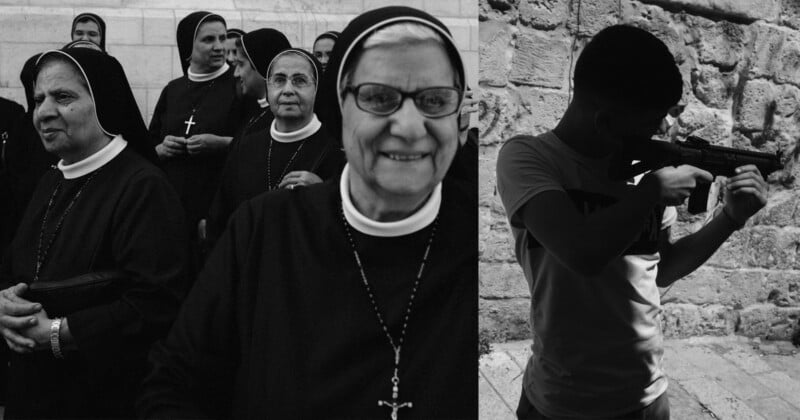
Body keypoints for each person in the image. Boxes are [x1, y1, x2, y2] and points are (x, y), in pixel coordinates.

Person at [137, 6, 477, 418]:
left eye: (435, 99)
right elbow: (175, 382)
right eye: (378, 97)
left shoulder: (475, 244)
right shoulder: (262, 229)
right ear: (340, 105)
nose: (408, 126)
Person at [496, 25, 769, 419]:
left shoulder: (647, 168)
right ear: (605, 122)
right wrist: (649, 194)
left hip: (645, 397)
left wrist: (730, 218)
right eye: (651, 120)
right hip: (561, 400)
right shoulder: (529, 159)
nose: (660, 131)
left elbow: (664, 268)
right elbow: (581, 253)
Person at [0, 47, 189, 419]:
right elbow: (19, 266)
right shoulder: (51, 178)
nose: (44, 111)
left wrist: (58, 331)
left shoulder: (142, 186)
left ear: (102, 101)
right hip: (33, 389)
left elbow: (158, 303)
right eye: (39, 99)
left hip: (101, 396)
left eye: (63, 96)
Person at [206, 48, 344, 250]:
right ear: (268, 88)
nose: (288, 90)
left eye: (299, 81)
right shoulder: (245, 146)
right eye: (279, 80)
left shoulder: (336, 153)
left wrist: (324, 195)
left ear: (317, 89)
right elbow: (220, 220)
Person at [148, 11, 242, 246]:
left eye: (222, 38)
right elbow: (149, 144)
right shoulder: (173, 89)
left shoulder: (239, 86)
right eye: (209, 40)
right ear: (188, 47)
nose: (219, 46)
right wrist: (161, 149)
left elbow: (257, 143)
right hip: (171, 207)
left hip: (217, 205)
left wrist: (221, 144)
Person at [232, 28, 291, 137]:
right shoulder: (255, 110)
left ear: (259, 65)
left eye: (240, 64)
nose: (236, 73)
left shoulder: (282, 121)